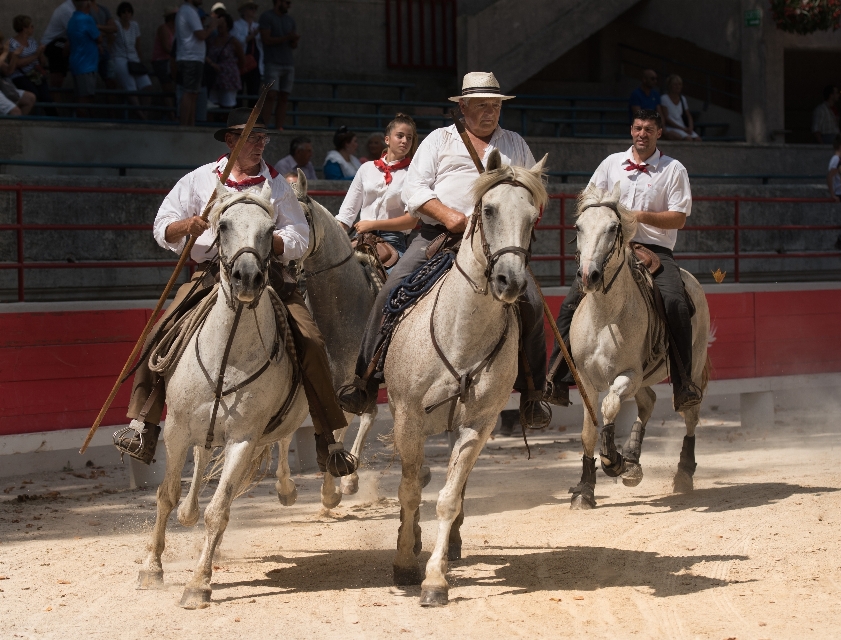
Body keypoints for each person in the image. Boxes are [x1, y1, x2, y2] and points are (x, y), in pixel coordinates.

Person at [115, 107, 352, 477]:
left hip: (268, 274)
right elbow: (162, 226)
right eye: (251, 138)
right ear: (231, 141)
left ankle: (327, 437)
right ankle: (143, 425)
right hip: (212, 272)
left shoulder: (276, 184)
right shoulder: (198, 180)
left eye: (263, 138)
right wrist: (186, 226)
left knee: (311, 341)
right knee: (160, 333)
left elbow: (300, 237)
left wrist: (267, 242)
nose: (259, 145)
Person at [337, 72, 551, 430]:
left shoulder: (515, 144)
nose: (490, 112)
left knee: (531, 301)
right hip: (439, 237)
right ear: (462, 106)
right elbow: (415, 190)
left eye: (495, 105)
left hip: (497, 243)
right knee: (391, 291)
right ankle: (365, 379)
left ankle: (533, 393)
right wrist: (449, 216)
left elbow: (535, 191)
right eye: (481, 105)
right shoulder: (439, 140)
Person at [543, 108, 700, 411]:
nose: (642, 134)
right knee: (570, 304)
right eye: (638, 128)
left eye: (649, 129)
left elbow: (679, 218)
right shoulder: (611, 164)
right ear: (631, 130)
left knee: (675, 302)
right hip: (610, 248)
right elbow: (587, 200)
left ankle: (684, 384)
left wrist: (638, 216)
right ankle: (557, 378)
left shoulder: (673, 169)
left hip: (655, 250)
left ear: (659, 133)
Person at [335, 113, 419, 255]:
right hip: (361, 238)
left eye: (409, 138)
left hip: (393, 240)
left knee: (397, 277)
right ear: (387, 139)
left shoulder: (413, 173)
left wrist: (372, 224)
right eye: (400, 136)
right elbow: (346, 214)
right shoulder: (366, 168)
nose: (405, 141)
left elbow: (411, 221)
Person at [176, 0, 217, 126]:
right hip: (191, 58)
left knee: (193, 94)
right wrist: (212, 26)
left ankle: (190, 127)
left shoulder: (188, 10)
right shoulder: (188, 11)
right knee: (189, 93)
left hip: (192, 58)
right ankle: (184, 128)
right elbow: (201, 35)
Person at [259, 0, 298, 130]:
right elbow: (266, 39)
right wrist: (287, 37)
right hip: (272, 62)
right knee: (271, 95)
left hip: (288, 62)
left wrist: (293, 40)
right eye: (287, 2)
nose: (289, 5)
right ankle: (263, 127)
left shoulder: (290, 20)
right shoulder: (267, 17)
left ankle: (279, 127)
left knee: (284, 97)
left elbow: (293, 45)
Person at [113, 2, 151, 118]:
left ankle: (145, 112)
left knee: (147, 85)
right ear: (120, 14)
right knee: (131, 86)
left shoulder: (134, 25)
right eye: (124, 12)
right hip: (120, 58)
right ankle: (140, 115)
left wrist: (140, 60)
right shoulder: (116, 25)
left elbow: (137, 46)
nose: (126, 14)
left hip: (134, 59)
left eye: (129, 11)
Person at [6, 16, 52, 112]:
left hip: (36, 74)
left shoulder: (32, 41)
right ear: (24, 28)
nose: (33, 28)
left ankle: (54, 120)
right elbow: (16, 63)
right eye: (31, 26)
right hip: (20, 76)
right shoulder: (12, 43)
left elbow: (42, 62)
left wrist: (41, 53)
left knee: (47, 97)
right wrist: (35, 55)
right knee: (34, 94)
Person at [67, 0, 102, 114]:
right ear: (87, 6)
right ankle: (83, 126)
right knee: (85, 98)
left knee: (81, 96)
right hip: (86, 65)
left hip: (76, 63)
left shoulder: (72, 20)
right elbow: (99, 38)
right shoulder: (87, 19)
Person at [205, 13, 243, 109]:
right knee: (212, 105)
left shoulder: (233, 41)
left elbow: (242, 59)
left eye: (223, 23)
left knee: (228, 105)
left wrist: (233, 70)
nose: (220, 25)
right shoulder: (211, 41)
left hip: (229, 79)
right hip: (214, 78)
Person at [230, 1, 262, 108]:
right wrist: (253, 35)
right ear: (243, 11)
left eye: (254, 8)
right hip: (240, 62)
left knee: (253, 93)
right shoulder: (236, 25)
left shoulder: (257, 26)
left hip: (255, 64)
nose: (253, 11)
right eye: (250, 8)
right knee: (238, 93)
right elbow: (237, 42)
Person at [40, 0, 77, 90]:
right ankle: (55, 96)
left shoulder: (78, 8)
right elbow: (76, 33)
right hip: (51, 44)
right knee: (57, 78)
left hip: (62, 42)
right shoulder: (67, 10)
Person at [0, 34, 37, 116]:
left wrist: (15, 56)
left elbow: (9, 71)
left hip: (3, 88)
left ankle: (17, 127)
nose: (2, 46)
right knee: (15, 112)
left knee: (30, 98)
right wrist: (5, 52)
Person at [659, 74, 700, 141]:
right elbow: (666, 118)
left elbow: (688, 115)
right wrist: (682, 129)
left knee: (698, 139)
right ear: (670, 86)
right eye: (675, 84)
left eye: (679, 84)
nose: (678, 87)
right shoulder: (664, 98)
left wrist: (690, 127)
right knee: (688, 139)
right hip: (672, 127)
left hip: (683, 126)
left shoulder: (682, 99)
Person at [151, 7, 177, 100]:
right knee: (167, 87)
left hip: (171, 60)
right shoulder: (163, 28)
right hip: (161, 60)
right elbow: (166, 47)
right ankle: (170, 113)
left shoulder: (176, 30)